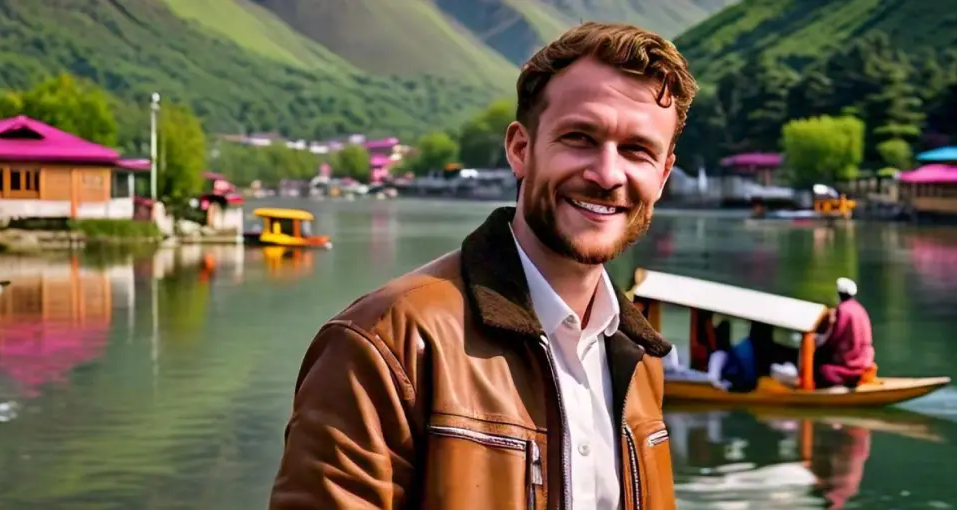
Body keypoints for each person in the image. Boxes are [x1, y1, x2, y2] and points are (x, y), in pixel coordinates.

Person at [268, 21, 698, 510]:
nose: (606, 174)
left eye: (636, 151)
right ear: (520, 149)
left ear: (662, 175)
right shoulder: (387, 344)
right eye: (579, 137)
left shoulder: (640, 361)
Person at [771, 277, 875, 389]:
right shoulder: (860, 308)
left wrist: (819, 347)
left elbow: (835, 337)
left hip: (850, 367)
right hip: (864, 363)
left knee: (822, 371)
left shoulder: (843, 310)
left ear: (839, 293)